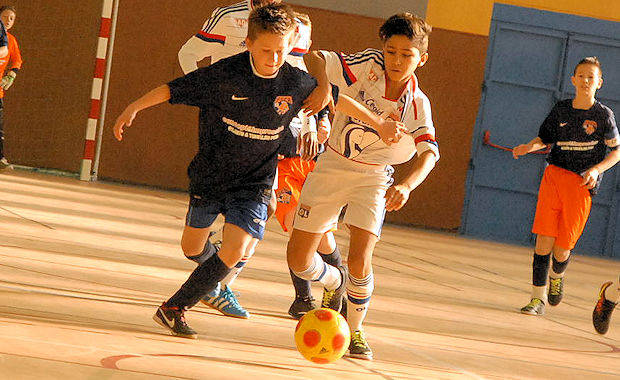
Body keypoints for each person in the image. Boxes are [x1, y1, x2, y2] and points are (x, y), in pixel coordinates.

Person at [113, 3, 404, 339]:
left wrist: (380, 123)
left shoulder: (295, 82)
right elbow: (172, 89)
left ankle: (174, 308)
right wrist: (133, 107)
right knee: (193, 249)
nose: (274, 58)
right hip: (211, 175)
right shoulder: (224, 75)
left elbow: (338, 100)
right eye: (266, 50)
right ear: (248, 43)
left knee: (235, 248)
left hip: (254, 182)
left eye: (281, 51)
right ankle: (209, 278)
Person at [288, 13, 439, 360]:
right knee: (298, 260)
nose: (397, 61)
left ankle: (354, 331)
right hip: (333, 164)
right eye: (391, 51)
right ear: (382, 50)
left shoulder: (418, 104)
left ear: (422, 58)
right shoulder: (367, 65)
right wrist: (325, 84)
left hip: (374, 176)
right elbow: (314, 57)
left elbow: (429, 154)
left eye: (407, 54)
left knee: (359, 261)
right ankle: (334, 282)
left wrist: (407, 186)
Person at [179, 0, 339, 321]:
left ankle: (223, 285)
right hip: (230, 130)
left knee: (263, 211)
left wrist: (317, 119)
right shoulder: (228, 16)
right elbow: (188, 54)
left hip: (271, 132)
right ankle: (217, 273)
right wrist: (212, 94)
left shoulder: (289, 25)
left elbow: (301, 75)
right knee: (208, 236)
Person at [513, 57, 620, 316]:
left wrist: (596, 169)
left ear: (599, 83)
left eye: (591, 77)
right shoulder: (561, 110)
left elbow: (616, 152)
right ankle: (536, 298)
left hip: (580, 185)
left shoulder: (603, 115)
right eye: (581, 76)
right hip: (554, 177)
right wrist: (530, 146)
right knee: (543, 243)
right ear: (573, 79)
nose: (585, 81)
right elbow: (544, 138)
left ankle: (557, 275)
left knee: (562, 249)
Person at [273, 12, 343, 320]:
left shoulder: (320, 80)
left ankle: (336, 281)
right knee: (297, 228)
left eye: (304, 37)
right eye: (293, 37)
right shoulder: (275, 74)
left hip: (315, 165)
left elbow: (330, 110)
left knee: (323, 237)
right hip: (285, 164)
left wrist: (325, 123)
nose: (298, 42)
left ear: (309, 42)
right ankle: (302, 297)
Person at [0, 5, 18, 171]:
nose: (8, 20)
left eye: (11, 18)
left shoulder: (11, 40)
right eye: (5, 16)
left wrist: (11, 75)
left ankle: (0, 158)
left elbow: (17, 61)